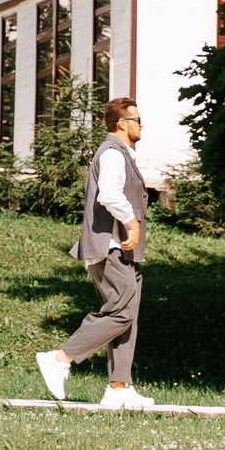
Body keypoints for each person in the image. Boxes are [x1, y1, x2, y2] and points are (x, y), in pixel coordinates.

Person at [36, 98, 159, 410]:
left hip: (122, 251)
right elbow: (110, 194)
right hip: (109, 247)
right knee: (122, 312)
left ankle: (119, 387)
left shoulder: (122, 154)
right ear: (122, 123)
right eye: (137, 119)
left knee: (127, 316)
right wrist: (131, 222)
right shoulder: (113, 153)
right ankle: (60, 358)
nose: (142, 124)